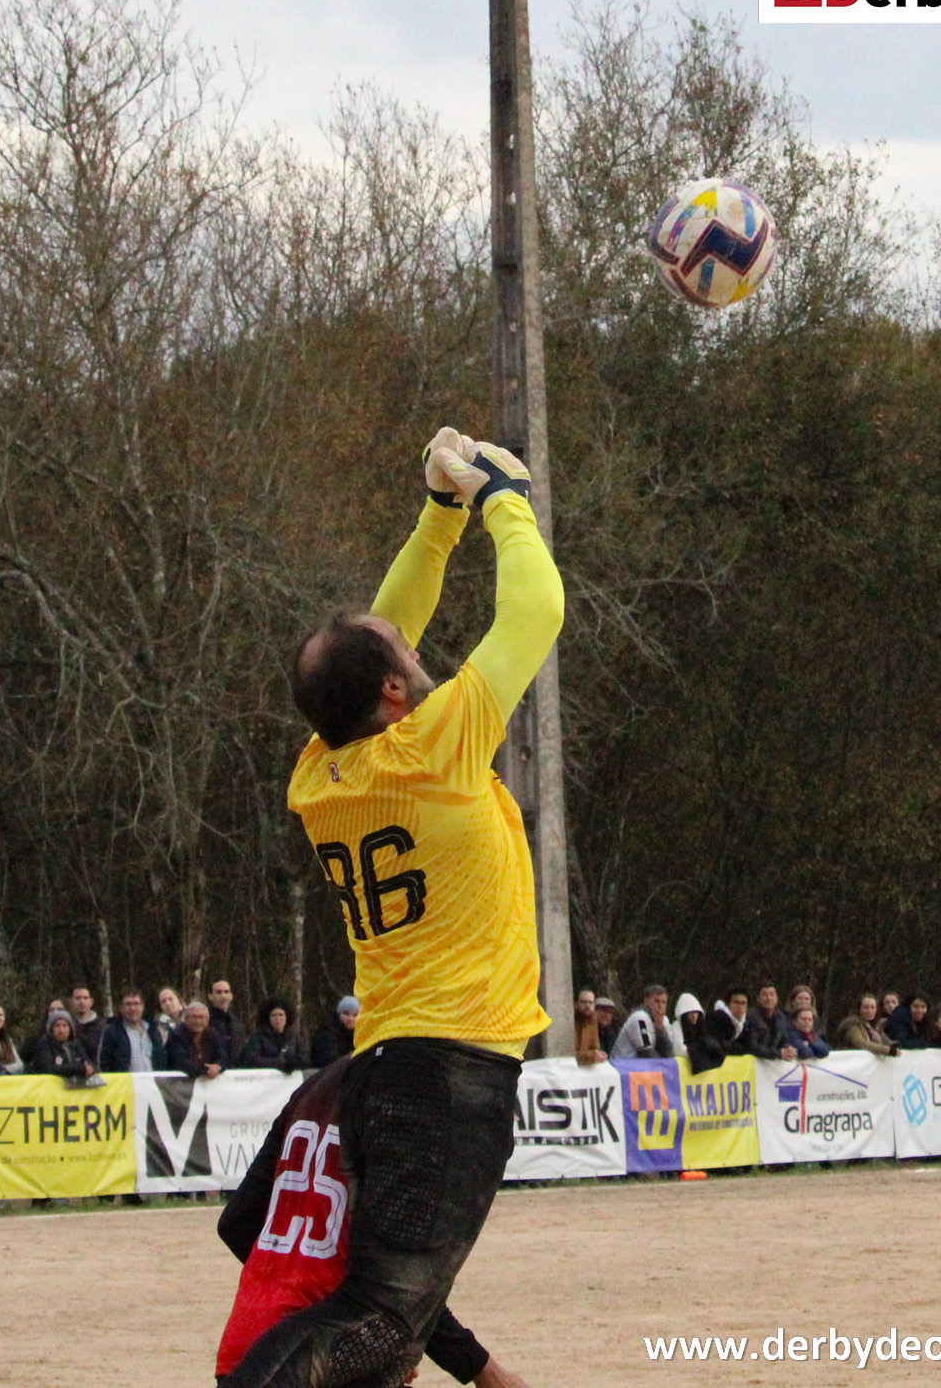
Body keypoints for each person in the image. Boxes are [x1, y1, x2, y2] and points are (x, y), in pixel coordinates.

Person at [259, 446, 561, 1388]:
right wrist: (504, 500)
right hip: (452, 1071)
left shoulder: (321, 774)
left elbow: (379, 632)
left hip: (384, 1060)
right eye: (407, 661)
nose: (416, 654)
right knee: (380, 1319)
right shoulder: (434, 747)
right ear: (393, 692)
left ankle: (487, 1374)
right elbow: (536, 610)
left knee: (388, 1303)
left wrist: (439, 513)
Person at [214, 1056, 533, 1388]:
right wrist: (480, 1368)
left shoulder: (319, 1084)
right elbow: (398, 1280)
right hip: (330, 1353)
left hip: (251, 1341)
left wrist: (290, 1273)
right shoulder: (408, 1093)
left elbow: (237, 1223)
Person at [99, 989, 169, 1073]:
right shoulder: (112, 1033)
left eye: (136, 1004)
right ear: (121, 1008)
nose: (132, 1008)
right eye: (128, 1004)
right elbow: (106, 1064)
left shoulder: (153, 1031)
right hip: (127, 1084)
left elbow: (161, 1061)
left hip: (152, 1084)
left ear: (142, 1007)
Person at [238, 999, 309, 1071]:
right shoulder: (259, 1037)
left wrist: (294, 1064)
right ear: (268, 1018)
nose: (277, 1019)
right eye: (273, 1015)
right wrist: (279, 1063)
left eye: (281, 1015)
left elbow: (305, 1058)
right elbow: (251, 1059)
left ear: (287, 1017)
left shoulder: (294, 1037)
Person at [611, 985, 678, 1060]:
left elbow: (669, 1053)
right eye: (656, 1001)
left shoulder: (664, 1020)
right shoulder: (640, 1018)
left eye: (663, 1002)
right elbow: (646, 1053)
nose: (660, 1006)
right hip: (622, 1065)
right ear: (646, 1001)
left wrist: (660, 1030)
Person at [165, 1001, 227, 1080]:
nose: (197, 1021)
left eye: (201, 1017)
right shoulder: (176, 1036)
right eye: (194, 1017)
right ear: (186, 1019)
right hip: (180, 1085)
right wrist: (206, 1070)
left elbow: (224, 1058)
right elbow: (181, 1063)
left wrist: (218, 1067)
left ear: (207, 1020)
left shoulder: (213, 1035)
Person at [29, 1008, 95, 1081]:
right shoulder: (44, 1044)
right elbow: (47, 1068)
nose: (61, 1030)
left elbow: (87, 1062)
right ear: (51, 1028)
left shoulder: (75, 1044)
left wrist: (88, 1068)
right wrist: (77, 1068)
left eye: (65, 1026)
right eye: (57, 1026)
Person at [740, 984, 796, 1061]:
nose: (769, 998)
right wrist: (778, 1054)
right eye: (764, 995)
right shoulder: (750, 1016)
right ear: (758, 999)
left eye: (772, 995)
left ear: (776, 999)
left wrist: (788, 1048)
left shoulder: (781, 1017)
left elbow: (784, 1039)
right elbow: (751, 1046)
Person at [676, 994, 728, 1073]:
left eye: (696, 1012)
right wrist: (695, 1053)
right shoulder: (677, 1026)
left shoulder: (702, 1028)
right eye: (690, 1013)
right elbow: (678, 1049)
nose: (694, 1016)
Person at [835, 993, 900, 1057]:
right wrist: (888, 1050)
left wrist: (893, 1045)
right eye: (866, 1007)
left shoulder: (874, 1025)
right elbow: (861, 1043)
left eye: (872, 1007)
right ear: (859, 1008)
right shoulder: (852, 1024)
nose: (869, 1010)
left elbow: (883, 1038)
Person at [310, 996, 362, 1068]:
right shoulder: (327, 1032)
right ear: (339, 1014)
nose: (350, 1018)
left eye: (354, 1015)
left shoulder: (359, 1033)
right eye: (346, 1014)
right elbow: (329, 1059)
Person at [67, 985, 107, 1064]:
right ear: (71, 1001)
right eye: (78, 998)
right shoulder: (66, 1026)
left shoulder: (102, 1027)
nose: (82, 1002)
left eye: (85, 998)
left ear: (91, 1002)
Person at [206, 979, 243, 1064]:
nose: (223, 996)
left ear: (231, 996)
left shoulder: (237, 1023)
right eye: (218, 992)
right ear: (210, 996)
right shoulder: (205, 1021)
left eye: (226, 992)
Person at [570, 990, 607, 1066]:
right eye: (583, 1002)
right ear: (576, 1003)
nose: (587, 1006)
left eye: (590, 1003)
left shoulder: (592, 1022)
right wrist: (591, 1055)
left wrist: (598, 1054)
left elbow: (595, 1047)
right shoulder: (570, 1021)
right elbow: (567, 1054)